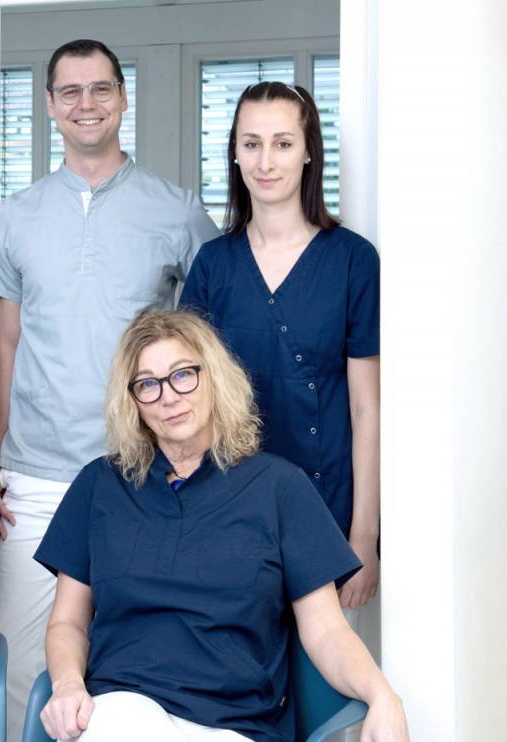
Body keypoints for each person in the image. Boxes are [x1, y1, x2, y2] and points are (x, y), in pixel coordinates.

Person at [0, 38, 220, 736]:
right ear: (49, 105)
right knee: (22, 666)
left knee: (130, 658)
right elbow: (9, 344)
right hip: (36, 474)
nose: (85, 103)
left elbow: (206, 348)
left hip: (142, 471)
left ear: (122, 97)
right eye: (70, 91)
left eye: (100, 88)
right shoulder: (15, 216)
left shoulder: (178, 211)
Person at [34, 308, 407, 742]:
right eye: (148, 384)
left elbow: (326, 630)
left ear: (213, 377)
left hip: (235, 724)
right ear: (131, 401)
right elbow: (68, 621)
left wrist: (382, 695)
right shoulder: (99, 485)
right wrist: (67, 684)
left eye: (182, 375)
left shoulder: (279, 486)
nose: (168, 397)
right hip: (123, 709)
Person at [180, 82, 380, 619]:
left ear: (309, 151)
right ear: (235, 153)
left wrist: (364, 535)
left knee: (324, 664)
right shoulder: (212, 265)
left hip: (327, 511)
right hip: (226, 510)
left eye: (283, 143)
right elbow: (187, 403)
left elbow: (367, 408)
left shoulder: (353, 261)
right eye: (252, 144)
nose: (265, 162)